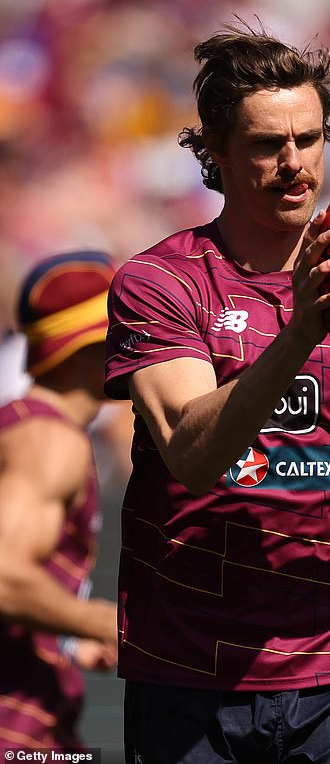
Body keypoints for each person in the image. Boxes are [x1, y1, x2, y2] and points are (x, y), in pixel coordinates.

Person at [105, 21, 330, 764]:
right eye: (267, 144)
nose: (294, 164)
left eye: (309, 139)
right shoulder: (160, 282)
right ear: (214, 150)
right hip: (190, 660)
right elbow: (193, 454)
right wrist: (301, 330)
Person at [0, 251, 118, 753]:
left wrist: (70, 638)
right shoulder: (51, 440)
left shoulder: (32, 428)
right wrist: (110, 622)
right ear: (92, 344)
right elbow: (3, 576)